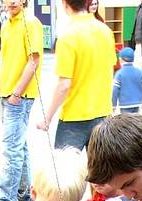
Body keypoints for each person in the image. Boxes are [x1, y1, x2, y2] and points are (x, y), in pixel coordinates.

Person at [0, 0, 43, 201]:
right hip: (7, 96)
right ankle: (23, 194)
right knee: (20, 147)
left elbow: (34, 60)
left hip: (19, 97)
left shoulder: (31, 22)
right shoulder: (6, 24)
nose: (11, 2)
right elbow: (4, 63)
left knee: (11, 150)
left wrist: (17, 93)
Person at [36, 0, 116, 150]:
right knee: (102, 171)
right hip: (103, 114)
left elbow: (64, 84)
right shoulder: (105, 31)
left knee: (65, 170)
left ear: (64, 4)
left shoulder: (68, 36)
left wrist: (48, 117)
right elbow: (110, 70)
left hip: (74, 117)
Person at [112, 47, 142, 114]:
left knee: (127, 123)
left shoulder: (119, 74)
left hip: (124, 105)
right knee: (136, 122)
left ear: (121, 59)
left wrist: (114, 105)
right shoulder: (139, 72)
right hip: (138, 103)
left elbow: (115, 90)